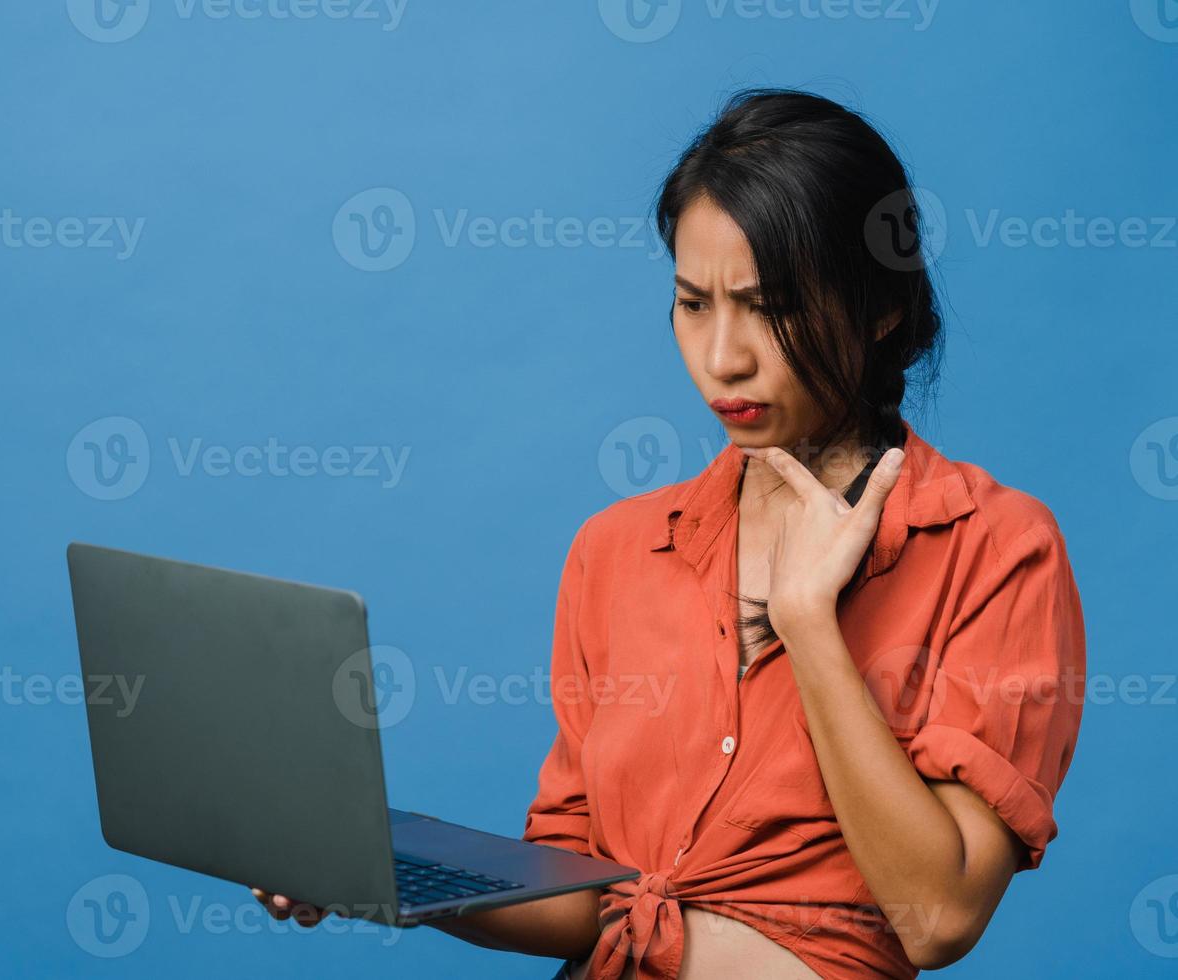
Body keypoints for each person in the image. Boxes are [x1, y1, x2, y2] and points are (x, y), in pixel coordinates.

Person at [253, 87, 1086, 979]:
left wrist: (809, 622)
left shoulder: (996, 550)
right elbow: (579, 898)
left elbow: (941, 917)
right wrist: (386, 877)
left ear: (881, 306)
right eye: (695, 304)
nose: (723, 357)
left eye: (772, 306)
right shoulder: (615, 550)